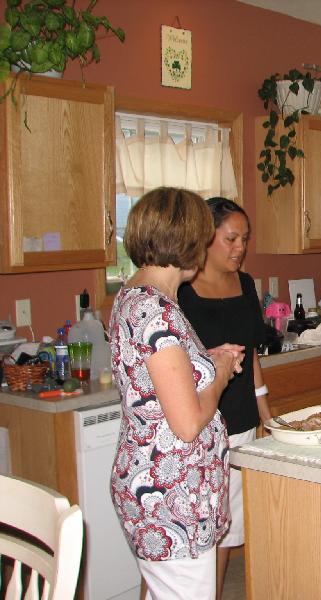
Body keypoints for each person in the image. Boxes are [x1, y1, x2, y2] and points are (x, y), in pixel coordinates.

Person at [108, 187, 245, 600]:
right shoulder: (158, 312)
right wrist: (220, 373)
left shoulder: (138, 296)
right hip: (170, 496)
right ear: (188, 240)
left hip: (163, 486)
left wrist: (206, 361)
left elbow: (162, 378)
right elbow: (187, 423)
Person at [177, 197, 271, 599]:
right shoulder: (180, 291)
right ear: (205, 237)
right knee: (194, 538)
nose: (240, 248)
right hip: (201, 426)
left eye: (245, 239)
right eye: (231, 238)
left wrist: (267, 415)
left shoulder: (245, 284)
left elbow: (251, 356)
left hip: (242, 422)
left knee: (227, 532)